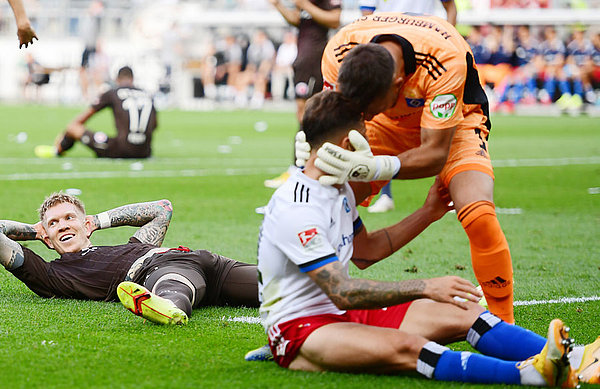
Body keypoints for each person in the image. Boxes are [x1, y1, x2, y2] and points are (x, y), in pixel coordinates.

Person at [256, 90, 598, 386]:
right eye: (366, 133)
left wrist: (428, 212)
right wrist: (424, 286)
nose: (371, 141)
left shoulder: (338, 187)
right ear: (349, 144)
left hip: (342, 314)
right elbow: (342, 291)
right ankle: (533, 375)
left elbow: (366, 250)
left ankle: (579, 358)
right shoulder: (297, 207)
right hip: (300, 329)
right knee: (407, 348)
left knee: (464, 311)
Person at [300, 12, 517, 324]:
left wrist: (373, 167)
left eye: (367, 108)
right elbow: (335, 114)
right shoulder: (339, 50)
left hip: (456, 124)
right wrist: (311, 150)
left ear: (398, 85)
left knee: (478, 212)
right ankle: (305, 314)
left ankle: (504, 322)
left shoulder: (446, 58)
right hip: (383, 125)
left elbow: (435, 154)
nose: (364, 115)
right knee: (324, 193)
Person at [0, 194, 259, 325]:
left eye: (70, 218)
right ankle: (168, 307)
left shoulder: (131, 246)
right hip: (156, 272)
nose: (63, 226)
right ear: (47, 237)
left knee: (285, 283)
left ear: (86, 224)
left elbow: (162, 209)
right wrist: (35, 232)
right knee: (172, 283)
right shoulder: (52, 275)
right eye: (54, 223)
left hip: (209, 263)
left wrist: (96, 222)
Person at [358, 0, 457, 213]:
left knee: (442, 125)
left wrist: (450, 42)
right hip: (386, 59)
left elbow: (450, 6)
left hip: (425, 55)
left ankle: (450, 191)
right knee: (382, 122)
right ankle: (385, 195)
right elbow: (366, 17)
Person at [263, 0, 341, 189]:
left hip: (315, 58)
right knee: (302, 113)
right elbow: (298, 20)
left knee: (310, 112)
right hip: (303, 59)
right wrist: (278, 6)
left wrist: (305, 5)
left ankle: (303, 167)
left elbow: (335, 19)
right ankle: (303, 167)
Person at [34, 66, 158, 159]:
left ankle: (57, 150)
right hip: (145, 151)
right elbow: (155, 125)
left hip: (120, 149)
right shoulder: (147, 94)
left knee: (73, 128)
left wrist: (65, 133)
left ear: (117, 79)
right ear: (132, 79)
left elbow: (86, 115)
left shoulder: (113, 92)